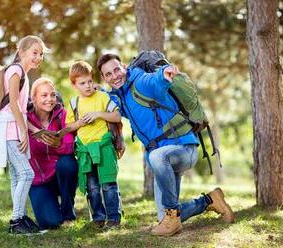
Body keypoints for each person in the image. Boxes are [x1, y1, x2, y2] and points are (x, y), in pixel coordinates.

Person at [97, 54, 234, 236]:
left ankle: (172, 214)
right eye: (108, 74)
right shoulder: (121, 97)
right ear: (104, 78)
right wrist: (95, 93)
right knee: (165, 217)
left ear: (124, 67)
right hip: (164, 158)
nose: (114, 76)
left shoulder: (141, 81)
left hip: (184, 148)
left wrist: (164, 73)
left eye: (116, 70)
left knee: (156, 157)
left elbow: (155, 81)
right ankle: (209, 200)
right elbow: (109, 103)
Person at [0, 35, 48, 234]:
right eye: (34, 52)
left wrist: (33, 130)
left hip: (15, 128)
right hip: (9, 130)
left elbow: (20, 110)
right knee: (27, 173)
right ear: (21, 51)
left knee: (17, 176)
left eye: (41, 54)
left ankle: (21, 218)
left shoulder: (22, 72)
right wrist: (24, 131)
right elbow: (13, 103)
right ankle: (16, 220)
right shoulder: (15, 70)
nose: (38, 57)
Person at [66, 61, 122, 229]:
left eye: (90, 81)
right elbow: (68, 127)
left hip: (104, 148)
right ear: (74, 85)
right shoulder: (74, 103)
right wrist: (79, 123)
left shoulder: (102, 97)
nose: (88, 86)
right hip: (85, 151)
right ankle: (98, 217)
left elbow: (117, 116)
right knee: (92, 186)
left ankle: (114, 217)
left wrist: (99, 114)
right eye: (82, 83)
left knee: (109, 184)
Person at [27, 78, 78, 230]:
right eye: (44, 95)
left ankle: (68, 212)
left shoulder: (62, 114)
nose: (49, 99)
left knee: (68, 163)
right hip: (38, 180)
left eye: (52, 95)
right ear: (33, 98)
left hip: (59, 175)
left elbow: (69, 145)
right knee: (51, 223)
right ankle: (52, 206)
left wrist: (58, 144)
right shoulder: (24, 119)